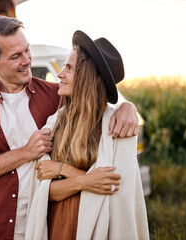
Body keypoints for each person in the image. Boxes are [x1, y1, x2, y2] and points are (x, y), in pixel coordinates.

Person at [0, 15, 139, 240]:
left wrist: (128, 107)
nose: (27, 60)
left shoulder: (54, 96)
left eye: (27, 50)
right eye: (15, 56)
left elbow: (95, 97)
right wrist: (25, 153)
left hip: (40, 227)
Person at [25, 30, 149, 240]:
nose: (60, 74)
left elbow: (113, 188)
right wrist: (85, 180)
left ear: (89, 77)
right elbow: (44, 191)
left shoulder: (117, 127)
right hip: (59, 225)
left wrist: (63, 170)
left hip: (104, 228)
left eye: (70, 68)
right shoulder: (54, 123)